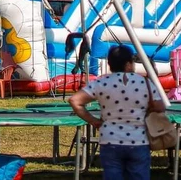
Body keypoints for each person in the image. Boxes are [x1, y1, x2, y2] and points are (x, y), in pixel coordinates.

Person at [69, 45, 164, 179]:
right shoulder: (145, 83)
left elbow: (75, 100)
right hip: (138, 140)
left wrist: (93, 121)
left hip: (110, 139)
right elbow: (160, 107)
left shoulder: (102, 82)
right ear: (128, 64)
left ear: (110, 64)